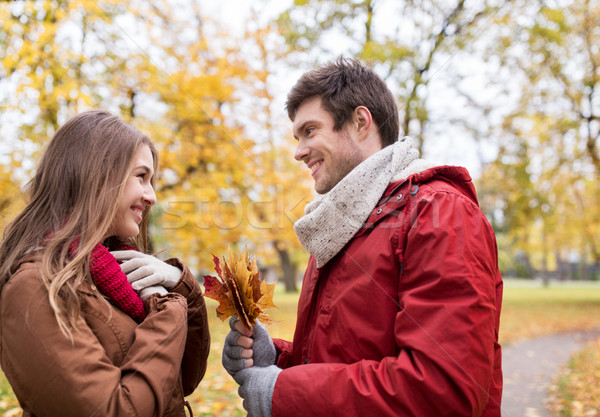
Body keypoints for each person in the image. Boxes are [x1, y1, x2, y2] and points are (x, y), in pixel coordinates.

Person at [222, 57, 503, 416]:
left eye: (310, 131)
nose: (298, 152)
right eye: (297, 137)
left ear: (360, 122)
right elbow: (342, 356)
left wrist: (284, 391)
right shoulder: (336, 229)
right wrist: (277, 357)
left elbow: (445, 390)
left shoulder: (440, 213)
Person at [0, 110, 210, 416]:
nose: (151, 196)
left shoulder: (112, 273)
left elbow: (181, 381)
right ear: (97, 176)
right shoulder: (34, 287)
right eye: (141, 176)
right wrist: (170, 311)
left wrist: (179, 283)